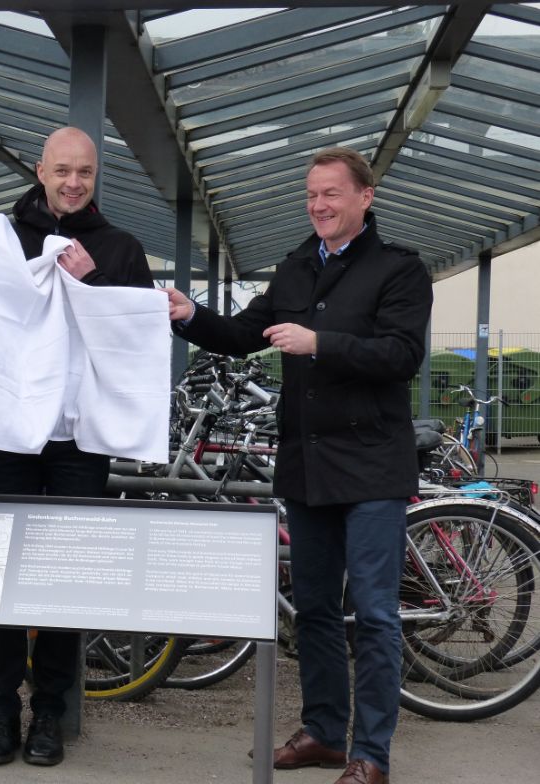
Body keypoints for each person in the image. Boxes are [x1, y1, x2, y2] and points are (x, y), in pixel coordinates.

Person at [165, 147, 433, 784]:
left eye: (331, 194)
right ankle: (322, 732)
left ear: (365, 197)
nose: (318, 205)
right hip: (308, 465)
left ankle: (371, 753)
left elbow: (401, 355)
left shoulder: (400, 270)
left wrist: (322, 344)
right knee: (311, 607)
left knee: (373, 612)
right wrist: (188, 316)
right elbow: (239, 336)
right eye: (311, 195)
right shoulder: (292, 269)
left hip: (371, 465)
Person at [0, 127, 155, 767]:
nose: (73, 183)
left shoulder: (121, 249)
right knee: (4, 574)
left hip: (80, 440)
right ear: (41, 170)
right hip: (13, 435)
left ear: (96, 176)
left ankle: (49, 711)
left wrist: (94, 281)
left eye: (86, 173)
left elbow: (136, 341)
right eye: (63, 171)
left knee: (60, 578)